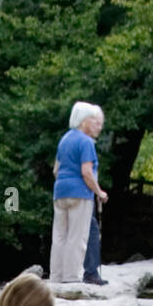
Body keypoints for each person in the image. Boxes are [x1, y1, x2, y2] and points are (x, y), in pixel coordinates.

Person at [50, 101, 108, 283]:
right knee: (77, 236)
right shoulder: (86, 142)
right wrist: (99, 192)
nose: (96, 124)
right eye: (92, 119)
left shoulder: (64, 139)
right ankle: (71, 277)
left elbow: (55, 170)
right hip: (80, 193)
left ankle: (56, 276)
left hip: (60, 192)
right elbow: (86, 172)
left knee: (59, 236)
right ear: (83, 121)